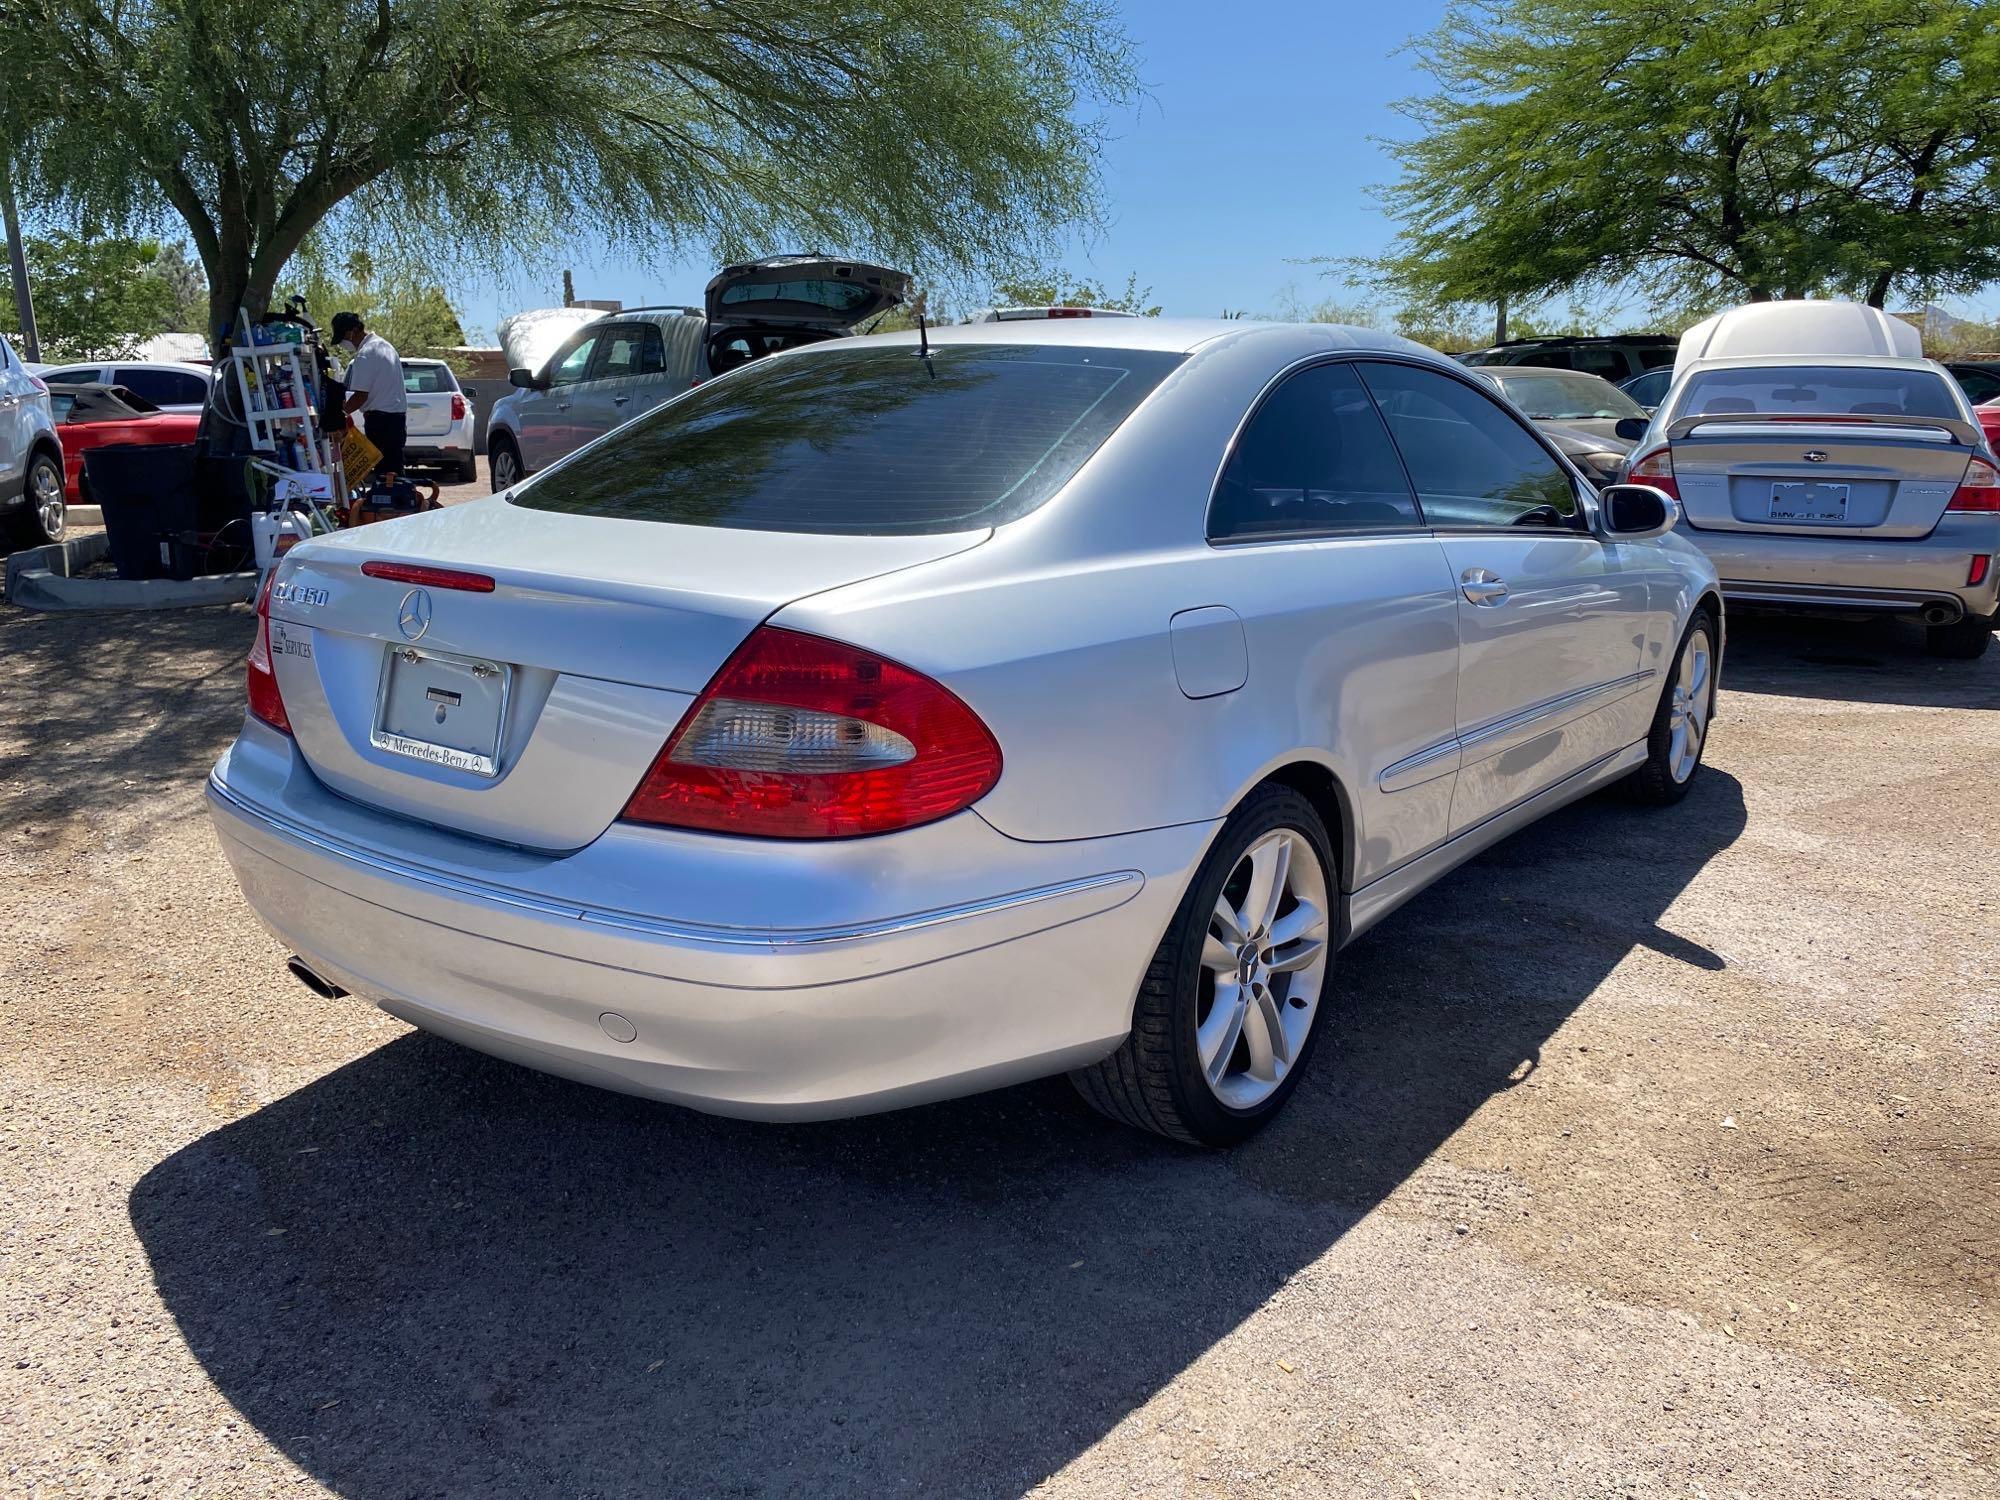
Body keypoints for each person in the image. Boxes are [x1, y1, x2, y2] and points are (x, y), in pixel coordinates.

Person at [330, 311, 407, 489]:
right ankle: (402, 509)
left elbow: (361, 396)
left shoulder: (366, 354)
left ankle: (393, 512)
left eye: (343, 337)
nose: (344, 343)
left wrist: (340, 414)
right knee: (394, 471)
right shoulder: (385, 346)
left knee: (386, 477)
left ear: (353, 331)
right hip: (396, 419)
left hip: (380, 421)